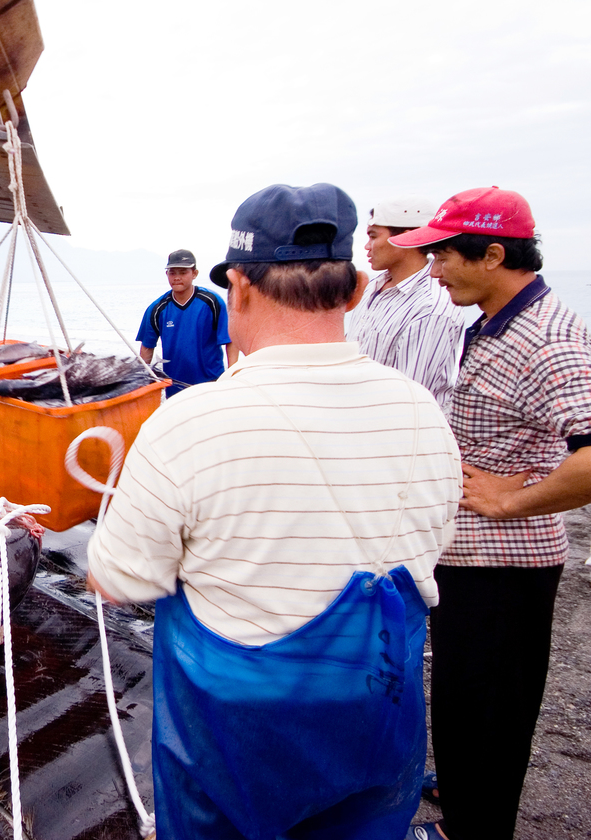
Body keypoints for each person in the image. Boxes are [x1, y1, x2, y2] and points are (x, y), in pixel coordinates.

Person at [87, 183, 461, 840]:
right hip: (376, 722)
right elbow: (428, 552)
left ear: (240, 289)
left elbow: (118, 585)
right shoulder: (423, 414)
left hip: (234, 750)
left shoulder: (189, 424)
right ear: (354, 291)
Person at [386, 187, 591, 840]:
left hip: (506, 568)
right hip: (468, 559)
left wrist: (514, 499)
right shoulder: (495, 318)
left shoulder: (548, 336)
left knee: (489, 717)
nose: (435, 270)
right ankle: (462, 805)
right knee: (462, 707)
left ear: (494, 254)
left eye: (444, 256)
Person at [346, 195, 465, 409]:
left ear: (408, 239)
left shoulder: (430, 308)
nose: (367, 246)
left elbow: (412, 400)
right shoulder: (374, 287)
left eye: (373, 236)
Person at [136, 249, 235, 395]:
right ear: (167, 274)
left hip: (211, 384)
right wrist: (140, 384)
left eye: (183, 272)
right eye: (172, 272)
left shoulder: (212, 302)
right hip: (175, 388)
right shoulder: (157, 308)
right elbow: (146, 348)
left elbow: (230, 341)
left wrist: (233, 376)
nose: (177, 277)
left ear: (194, 274)